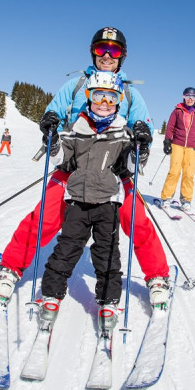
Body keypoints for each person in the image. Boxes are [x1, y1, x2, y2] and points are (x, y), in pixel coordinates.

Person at [0, 26, 171, 309]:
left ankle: (158, 277)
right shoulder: (76, 85)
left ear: (122, 56)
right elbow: (53, 110)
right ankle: (11, 266)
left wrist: (142, 135)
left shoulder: (130, 93)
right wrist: (49, 120)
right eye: (101, 49)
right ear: (93, 52)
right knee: (46, 216)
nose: (107, 56)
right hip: (73, 164)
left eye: (114, 51)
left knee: (135, 219)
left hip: (114, 170)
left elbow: (144, 125)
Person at [36, 71, 133, 329]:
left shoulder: (122, 132)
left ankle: (108, 300)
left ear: (118, 101)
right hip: (77, 200)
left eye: (111, 98)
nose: (104, 103)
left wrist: (141, 147)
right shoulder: (76, 128)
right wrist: (52, 137)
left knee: (107, 253)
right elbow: (59, 158)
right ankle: (51, 294)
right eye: (99, 95)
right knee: (67, 249)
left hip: (107, 203)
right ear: (88, 96)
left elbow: (132, 166)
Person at [157, 87, 195, 211]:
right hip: (177, 144)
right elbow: (170, 127)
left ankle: (186, 200)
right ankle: (166, 198)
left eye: (192, 97)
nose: (189, 99)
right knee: (174, 171)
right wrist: (167, 141)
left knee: (189, 174)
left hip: (191, 147)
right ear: (183, 97)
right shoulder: (177, 111)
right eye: (187, 96)